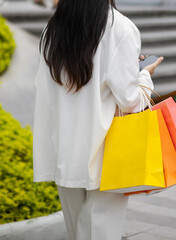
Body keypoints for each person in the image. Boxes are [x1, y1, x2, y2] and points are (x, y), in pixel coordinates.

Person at [32, 0, 164, 239]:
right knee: (101, 232)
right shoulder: (120, 28)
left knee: (76, 232)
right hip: (105, 151)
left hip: (64, 147)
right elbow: (130, 101)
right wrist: (144, 76)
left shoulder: (52, 29)